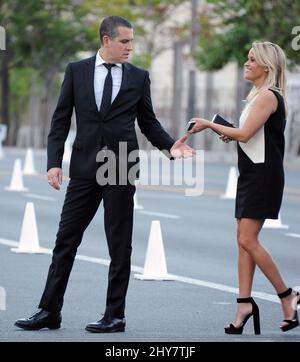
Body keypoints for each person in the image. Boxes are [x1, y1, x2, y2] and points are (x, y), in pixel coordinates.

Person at [15, 15, 194, 333]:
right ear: (106, 40)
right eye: (124, 41)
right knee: (65, 240)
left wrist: (171, 148)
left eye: (131, 41)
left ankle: (115, 315)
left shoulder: (139, 77)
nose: (130, 47)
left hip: (121, 166)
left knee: (119, 244)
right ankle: (49, 311)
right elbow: (60, 119)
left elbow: (148, 122)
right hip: (83, 168)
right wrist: (54, 163)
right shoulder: (77, 71)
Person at [188, 41, 299, 334]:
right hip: (251, 174)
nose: (246, 64)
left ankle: (288, 296)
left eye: (252, 60)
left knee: (248, 240)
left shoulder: (268, 97)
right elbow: (247, 136)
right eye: (247, 58)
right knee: (242, 239)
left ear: (267, 66)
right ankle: (244, 304)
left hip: (263, 176)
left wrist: (210, 125)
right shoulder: (258, 96)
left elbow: (246, 133)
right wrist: (230, 132)